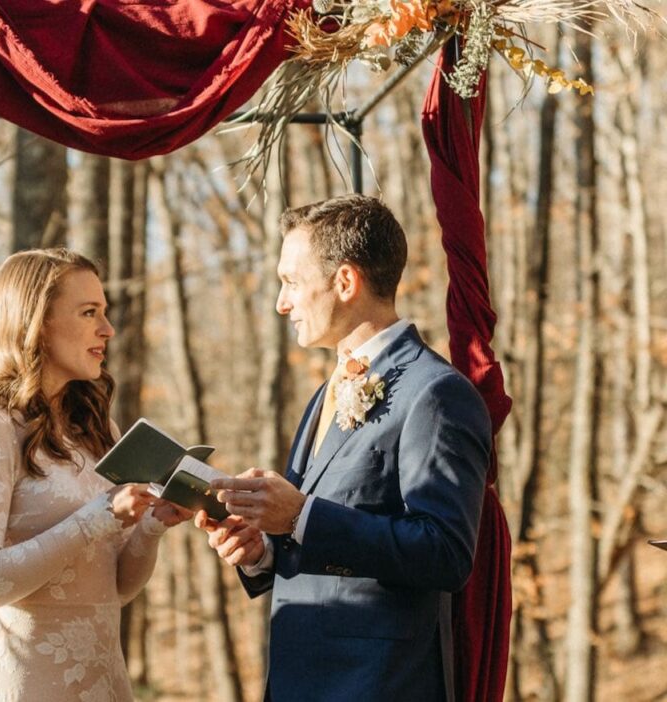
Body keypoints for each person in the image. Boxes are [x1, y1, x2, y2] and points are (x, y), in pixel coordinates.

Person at [197, 195, 492, 702]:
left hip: (378, 683)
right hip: (298, 680)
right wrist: (263, 550)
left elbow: (445, 552)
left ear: (346, 282)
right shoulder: (324, 394)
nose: (281, 303)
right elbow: (325, 540)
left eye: (290, 282)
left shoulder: (436, 393)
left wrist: (300, 515)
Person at [0, 248, 188, 701]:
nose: (107, 330)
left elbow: (114, 589)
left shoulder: (96, 428)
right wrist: (98, 516)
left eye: (105, 313)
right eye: (89, 312)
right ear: (37, 322)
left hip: (104, 683)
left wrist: (151, 525)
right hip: (20, 685)